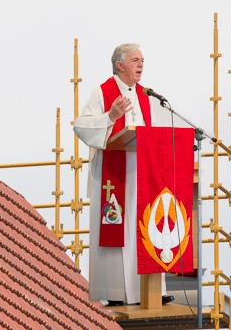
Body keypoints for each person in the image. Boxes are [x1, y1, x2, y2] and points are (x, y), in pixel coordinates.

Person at [71, 43, 176, 305]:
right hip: (114, 175)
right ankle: (114, 294)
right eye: (135, 60)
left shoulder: (147, 96)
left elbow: (160, 131)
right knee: (116, 228)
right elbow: (81, 127)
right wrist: (110, 115)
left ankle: (151, 292)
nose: (141, 65)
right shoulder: (102, 92)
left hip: (143, 172)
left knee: (147, 226)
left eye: (142, 60)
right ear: (119, 65)